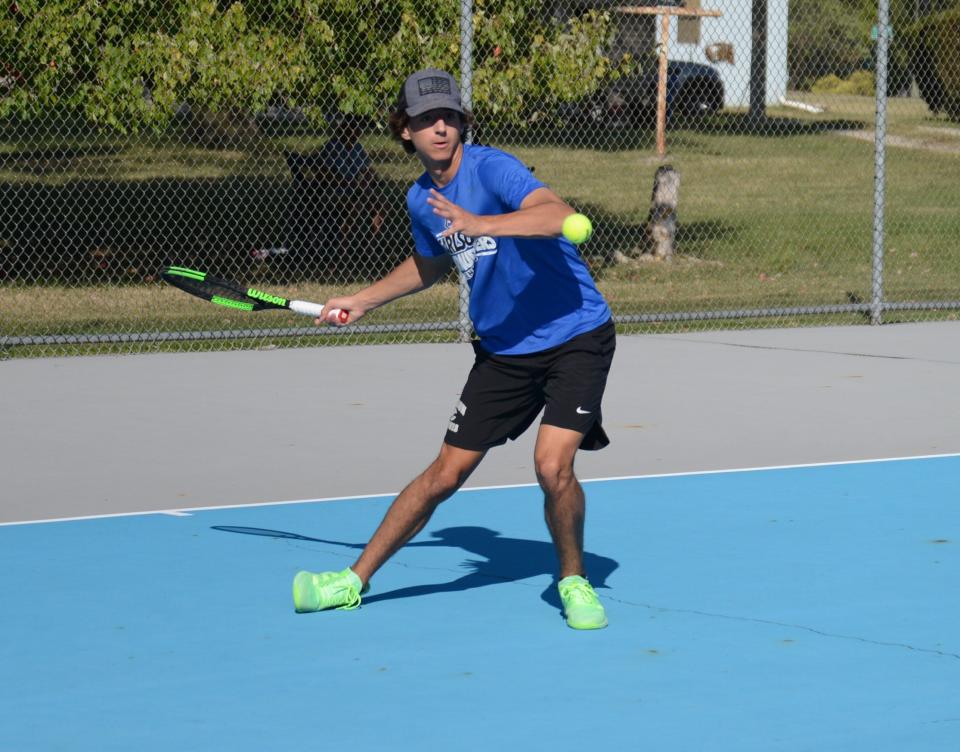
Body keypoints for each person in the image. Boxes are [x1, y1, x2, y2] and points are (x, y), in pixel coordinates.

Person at [292, 68, 616, 630]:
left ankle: (573, 579)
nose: (439, 128)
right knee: (444, 474)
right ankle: (352, 581)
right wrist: (364, 300)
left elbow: (557, 214)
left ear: (462, 123)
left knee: (550, 465)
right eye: (425, 120)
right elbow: (430, 262)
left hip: (575, 335)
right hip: (503, 351)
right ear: (405, 131)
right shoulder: (420, 198)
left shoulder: (493, 168)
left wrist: (480, 220)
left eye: (448, 117)